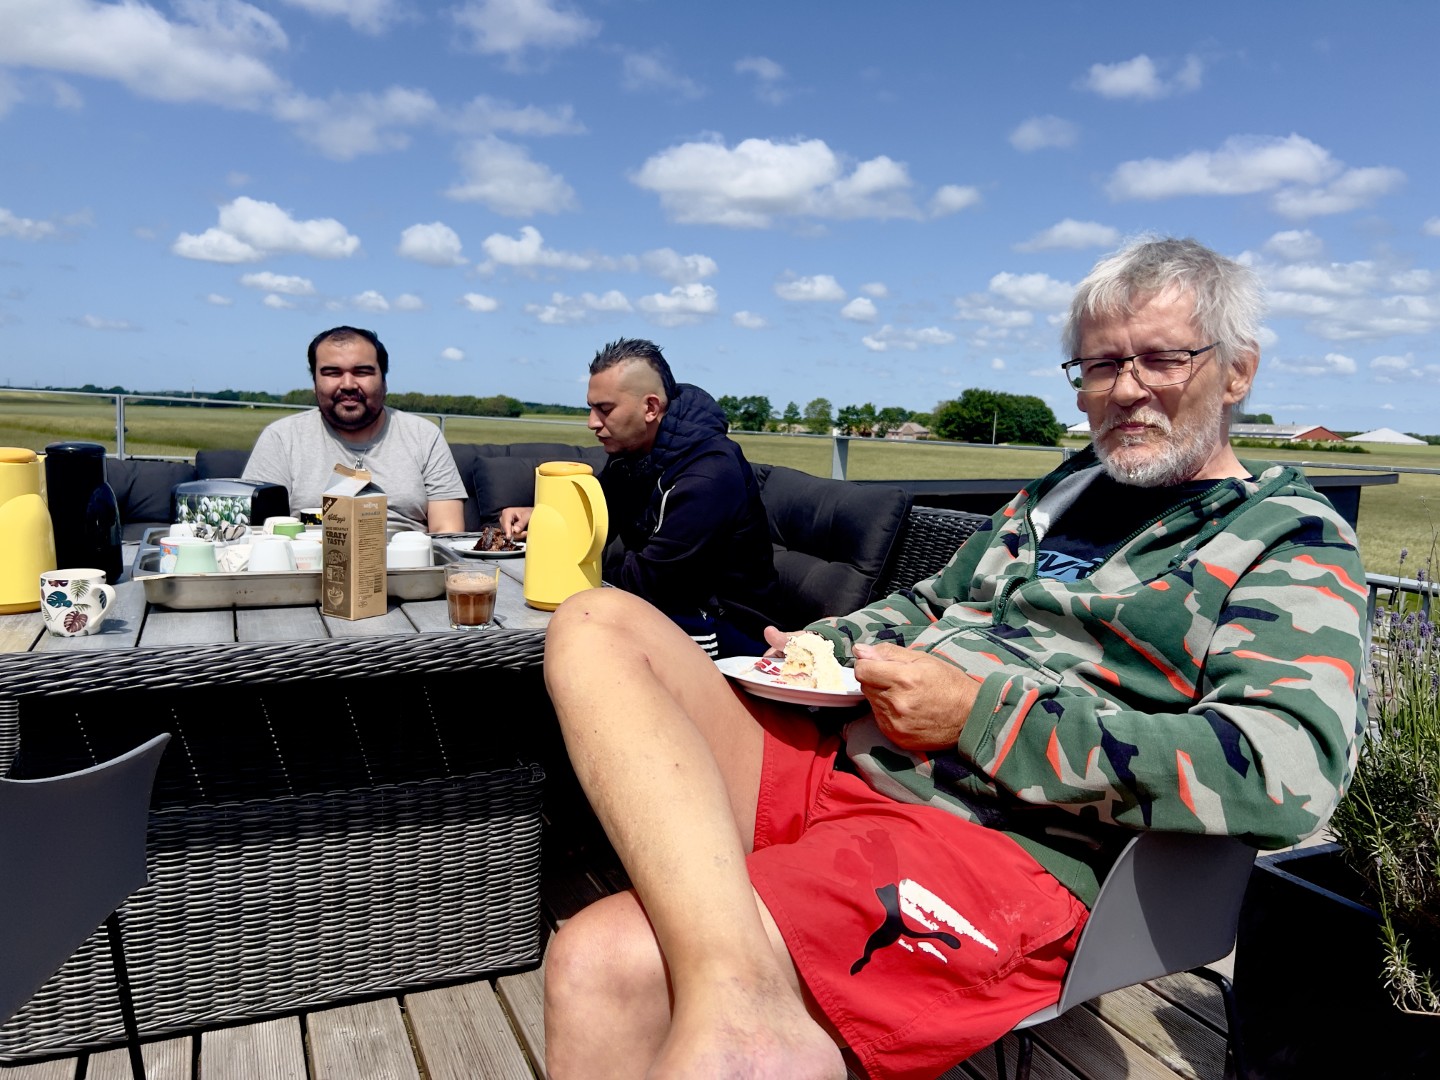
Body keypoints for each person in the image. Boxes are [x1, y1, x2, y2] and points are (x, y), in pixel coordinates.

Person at [538, 238, 1368, 1080]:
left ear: (1236, 371)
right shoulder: (1064, 491)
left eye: (1160, 359)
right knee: (596, 622)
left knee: (603, 963)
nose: (1123, 389)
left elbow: (1286, 769)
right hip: (845, 758)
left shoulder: (1286, 538)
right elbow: (931, 603)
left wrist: (978, 715)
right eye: (1098, 365)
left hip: (996, 840)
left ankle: (745, 1020)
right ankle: (743, 996)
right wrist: (831, 644)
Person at [502, 338, 779, 657]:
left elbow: (651, 582)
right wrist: (540, 516)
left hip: (730, 631)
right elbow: (600, 518)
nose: (592, 422)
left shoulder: (709, 474)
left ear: (650, 408)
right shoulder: (633, 452)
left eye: (605, 409)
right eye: (591, 408)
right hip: (666, 607)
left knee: (575, 634)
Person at [242, 326, 466, 533]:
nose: (348, 384)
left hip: (406, 561)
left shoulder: (424, 436)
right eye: (332, 372)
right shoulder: (281, 438)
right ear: (314, 384)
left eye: (362, 372)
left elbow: (447, 531)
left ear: (384, 381)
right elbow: (258, 534)